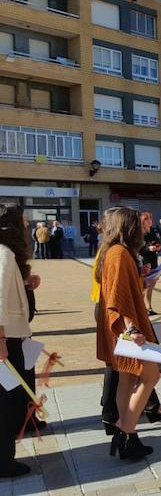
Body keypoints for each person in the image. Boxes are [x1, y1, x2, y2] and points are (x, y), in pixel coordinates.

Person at [94, 207, 160, 461]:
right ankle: (125, 429)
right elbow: (119, 297)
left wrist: (142, 281)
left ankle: (129, 439)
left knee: (127, 379)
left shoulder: (111, 251)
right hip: (126, 328)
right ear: (129, 228)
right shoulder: (120, 254)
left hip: (119, 327)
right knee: (150, 374)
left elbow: (120, 288)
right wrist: (132, 329)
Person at [0, 203, 41, 477]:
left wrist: (25, 284)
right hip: (9, 339)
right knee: (6, 400)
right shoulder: (3, 255)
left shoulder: (7, 255)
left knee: (11, 398)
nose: (28, 227)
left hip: (14, 336)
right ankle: (4, 460)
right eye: (24, 222)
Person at [139, 213, 161, 315]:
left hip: (153, 261)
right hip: (144, 261)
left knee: (150, 285)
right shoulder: (139, 233)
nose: (149, 221)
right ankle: (142, 308)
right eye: (146, 219)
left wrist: (158, 246)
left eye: (150, 218)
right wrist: (148, 248)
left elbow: (157, 242)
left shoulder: (152, 231)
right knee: (143, 286)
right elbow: (138, 248)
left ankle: (149, 306)